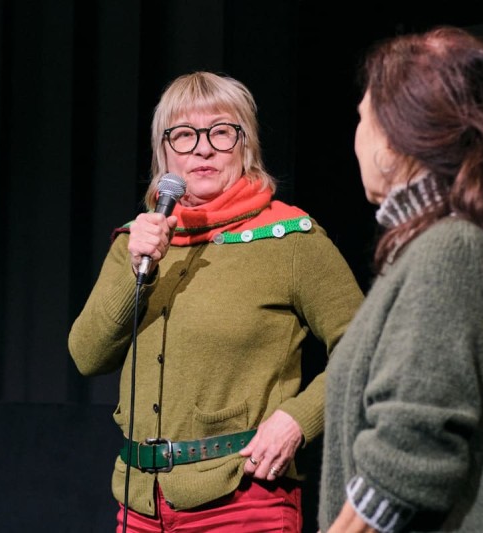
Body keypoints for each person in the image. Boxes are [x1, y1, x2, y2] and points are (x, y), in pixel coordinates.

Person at [68, 71, 364, 533]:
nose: (202, 149)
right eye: (184, 135)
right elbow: (87, 356)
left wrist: (297, 420)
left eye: (221, 132)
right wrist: (136, 268)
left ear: (246, 146)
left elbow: (367, 349)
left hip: (242, 500)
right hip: (140, 504)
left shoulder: (290, 240)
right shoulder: (139, 241)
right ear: (164, 152)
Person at [317, 26, 483, 532]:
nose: (356, 137)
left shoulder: (448, 250)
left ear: (397, 136)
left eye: (363, 118)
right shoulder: (426, 248)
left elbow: (408, 452)